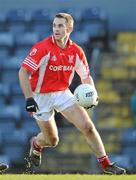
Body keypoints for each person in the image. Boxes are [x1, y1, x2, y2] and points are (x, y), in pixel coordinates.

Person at [18, 13, 126, 174]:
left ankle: (106, 165)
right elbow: (23, 72)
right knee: (52, 140)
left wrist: (92, 92)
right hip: (40, 96)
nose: (56, 29)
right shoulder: (42, 48)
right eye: (54, 25)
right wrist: (29, 98)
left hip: (63, 93)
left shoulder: (76, 51)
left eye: (60, 26)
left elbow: (85, 76)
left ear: (70, 28)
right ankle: (36, 144)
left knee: (88, 127)